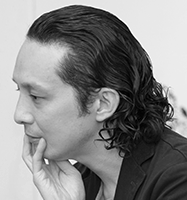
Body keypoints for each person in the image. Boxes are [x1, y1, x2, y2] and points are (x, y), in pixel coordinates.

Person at [12, 5, 187, 200]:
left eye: (36, 96)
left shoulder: (178, 178)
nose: (19, 115)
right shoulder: (79, 181)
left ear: (103, 104)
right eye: (19, 90)